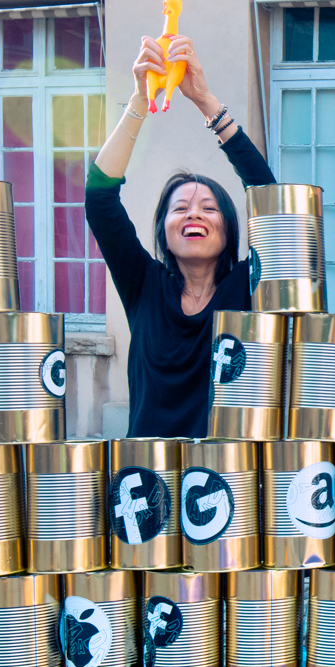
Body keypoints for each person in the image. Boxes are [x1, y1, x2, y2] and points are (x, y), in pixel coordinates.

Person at [87, 34, 275, 438]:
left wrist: (205, 100)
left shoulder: (247, 286)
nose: (194, 213)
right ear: (164, 231)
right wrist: (141, 99)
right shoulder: (144, 285)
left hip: (223, 486)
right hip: (144, 486)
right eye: (180, 208)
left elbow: (273, 204)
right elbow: (98, 196)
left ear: (230, 229)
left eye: (209, 208)